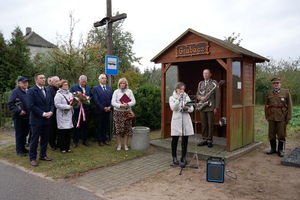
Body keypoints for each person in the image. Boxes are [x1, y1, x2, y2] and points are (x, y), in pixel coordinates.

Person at [27, 73, 54, 166]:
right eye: (41, 78)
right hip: (37, 120)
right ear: (36, 80)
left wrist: (51, 112)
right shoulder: (31, 91)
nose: (43, 79)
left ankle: (43, 155)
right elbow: (31, 105)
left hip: (47, 119)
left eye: (44, 78)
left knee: (45, 138)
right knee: (34, 139)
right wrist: (43, 113)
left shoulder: (47, 89)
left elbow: (51, 103)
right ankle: (32, 158)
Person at [265, 78, 292, 157]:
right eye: (274, 83)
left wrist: (288, 117)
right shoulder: (269, 93)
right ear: (272, 85)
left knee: (281, 134)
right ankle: (273, 149)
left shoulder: (286, 92)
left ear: (280, 84)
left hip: (282, 117)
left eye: (277, 83)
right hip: (271, 116)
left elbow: (290, 106)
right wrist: (267, 115)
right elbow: (266, 105)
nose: (276, 84)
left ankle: (280, 150)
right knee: (271, 134)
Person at [169, 82, 194, 166]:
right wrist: (179, 99)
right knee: (175, 140)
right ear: (176, 89)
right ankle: (174, 157)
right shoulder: (172, 98)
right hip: (176, 121)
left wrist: (187, 108)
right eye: (180, 89)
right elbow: (173, 108)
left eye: (183, 89)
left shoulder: (187, 97)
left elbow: (192, 108)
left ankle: (183, 157)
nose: (182, 91)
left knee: (185, 140)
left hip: (185, 120)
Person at [196, 69, 220, 148]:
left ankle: (210, 140)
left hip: (210, 107)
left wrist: (216, 107)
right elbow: (197, 94)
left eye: (207, 73)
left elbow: (217, 96)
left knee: (210, 124)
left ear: (210, 74)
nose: (205, 75)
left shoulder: (214, 83)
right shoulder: (200, 83)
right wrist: (200, 97)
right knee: (204, 124)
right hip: (202, 106)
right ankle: (205, 139)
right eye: (204, 73)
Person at [8, 77, 30, 156]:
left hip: (27, 117)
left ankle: (23, 148)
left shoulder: (27, 91)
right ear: (19, 83)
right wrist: (19, 111)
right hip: (19, 117)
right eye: (23, 82)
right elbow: (10, 104)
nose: (25, 84)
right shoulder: (15, 92)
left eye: (26, 82)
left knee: (25, 133)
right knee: (19, 134)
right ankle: (19, 151)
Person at [111, 78, 136, 151]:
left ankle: (125, 145)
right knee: (118, 130)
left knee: (127, 129)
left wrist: (127, 104)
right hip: (118, 112)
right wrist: (120, 105)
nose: (122, 84)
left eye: (124, 83)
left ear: (126, 84)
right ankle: (119, 145)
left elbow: (134, 101)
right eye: (121, 83)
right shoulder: (116, 92)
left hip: (127, 112)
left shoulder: (129, 91)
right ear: (119, 84)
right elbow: (113, 102)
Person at [70, 75, 91, 147]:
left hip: (86, 110)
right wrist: (77, 101)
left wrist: (87, 99)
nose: (83, 83)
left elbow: (90, 97)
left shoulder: (88, 88)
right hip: (77, 110)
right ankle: (75, 141)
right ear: (79, 81)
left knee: (85, 125)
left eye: (85, 81)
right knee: (76, 125)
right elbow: (71, 97)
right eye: (82, 81)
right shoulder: (74, 87)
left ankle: (85, 140)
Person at [54, 80, 74, 153]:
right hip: (62, 115)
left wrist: (75, 104)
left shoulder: (70, 94)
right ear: (61, 86)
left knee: (68, 132)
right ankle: (62, 148)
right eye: (65, 85)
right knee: (62, 132)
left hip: (69, 115)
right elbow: (57, 105)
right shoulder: (58, 95)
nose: (66, 86)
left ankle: (67, 148)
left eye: (67, 84)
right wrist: (67, 106)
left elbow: (72, 102)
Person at [93, 74, 113, 146]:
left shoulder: (109, 88)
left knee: (106, 126)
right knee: (100, 126)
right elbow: (96, 100)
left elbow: (112, 99)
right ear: (99, 80)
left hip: (108, 110)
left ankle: (105, 139)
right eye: (102, 78)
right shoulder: (96, 88)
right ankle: (100, 140)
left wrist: (110, 107)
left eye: (105, 78)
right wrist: (103, 107)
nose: (104, 79)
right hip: (100, 110)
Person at [48, 76, 60, 150]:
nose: (58, 82)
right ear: (52, 82)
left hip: (59, 111)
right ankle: (52, 144)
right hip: (52, 112)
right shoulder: (50, 90)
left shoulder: (58, 89)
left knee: (57, 128)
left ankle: (57, 142)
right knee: (52, 129)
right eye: (56, 81)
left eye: (58, 81)